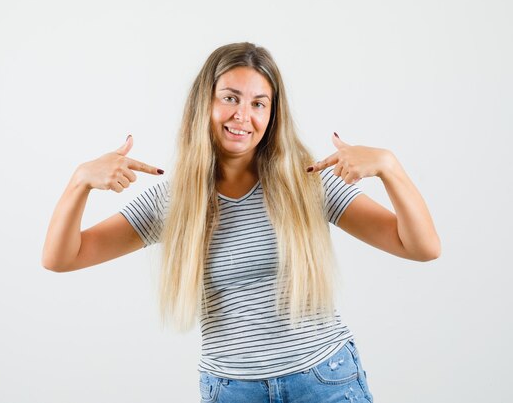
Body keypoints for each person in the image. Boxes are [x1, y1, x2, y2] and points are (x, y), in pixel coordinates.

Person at [42, 42, 440, 403]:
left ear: (272, 114)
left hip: (324, 383)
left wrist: (391, 169)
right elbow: (62, 257)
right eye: (230, 98)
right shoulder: (175, 201)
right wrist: (79, 182)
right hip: (231, 391)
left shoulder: (305, 182)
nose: (242, 116)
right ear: (205, 104)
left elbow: (420, 247)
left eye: (258, 104)